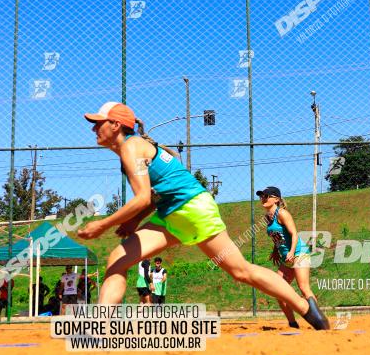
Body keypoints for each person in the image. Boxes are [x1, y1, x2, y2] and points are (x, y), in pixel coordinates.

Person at [77, 102, 329, 329]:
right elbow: (155, 195)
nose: (94, 129)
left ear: (116, 124)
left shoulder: (131, 148)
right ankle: (102, 327)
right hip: (174, 215)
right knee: (118, 260)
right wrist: (132, 219)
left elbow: (143, 197)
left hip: (191, 209)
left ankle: (306, 308)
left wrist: (103, 224)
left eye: (98, 123)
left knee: (241, 271)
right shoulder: (134, 149)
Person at [257, 186, 317, 328]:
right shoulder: (267, 218)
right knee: (279, 290)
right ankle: (293, 323)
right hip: (286, 258)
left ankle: (319, 319)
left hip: (299, 253)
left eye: (266, 196)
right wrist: (275, 250)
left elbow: (294, 234)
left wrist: (291, 252)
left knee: (304, 288)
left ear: (276, 199)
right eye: (262, 196)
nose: (263, 198)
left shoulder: (282, 214)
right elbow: (277, 236)